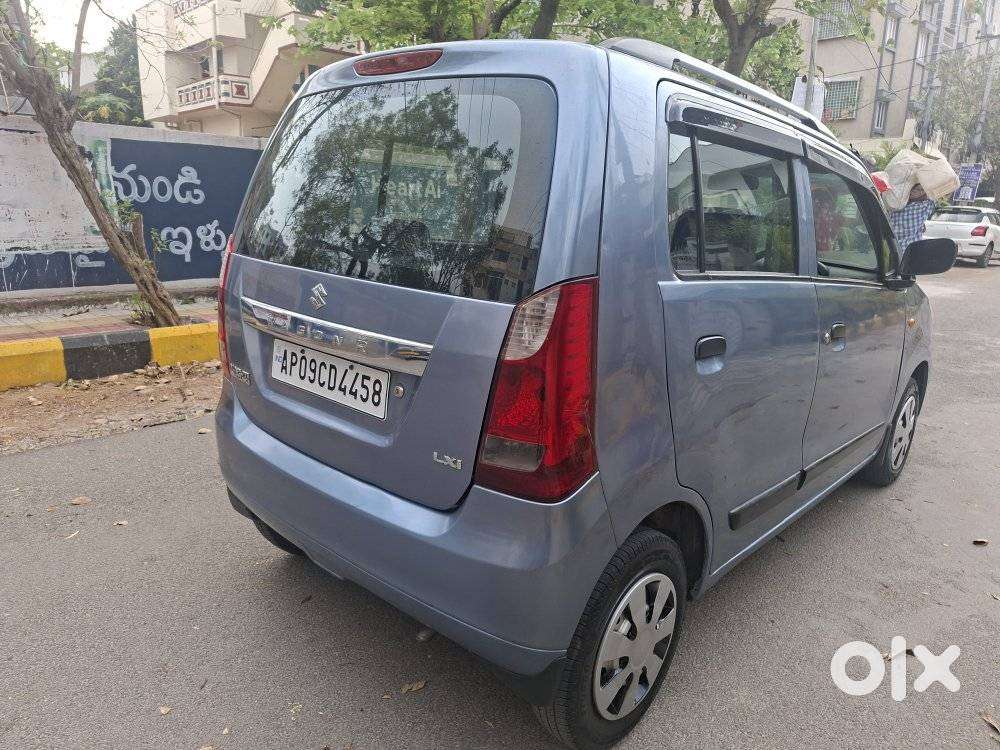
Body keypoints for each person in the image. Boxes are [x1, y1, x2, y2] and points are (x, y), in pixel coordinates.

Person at [889, 183, 937, 251]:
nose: (920, 192)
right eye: (917, 189)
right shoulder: (923, 207)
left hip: (893, 250)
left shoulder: (893, 207)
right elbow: (936, 195)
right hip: (911, 252)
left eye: (922, 190)